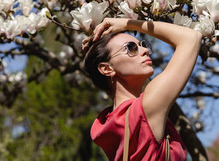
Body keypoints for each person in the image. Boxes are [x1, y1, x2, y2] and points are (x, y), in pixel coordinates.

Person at [82, 18, 202, 161]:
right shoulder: (144, 110)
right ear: (107, 69)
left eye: (143, 45)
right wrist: (129, 23)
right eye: (131, 47)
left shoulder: (108, 124)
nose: (145, 50)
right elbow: (191, 38)